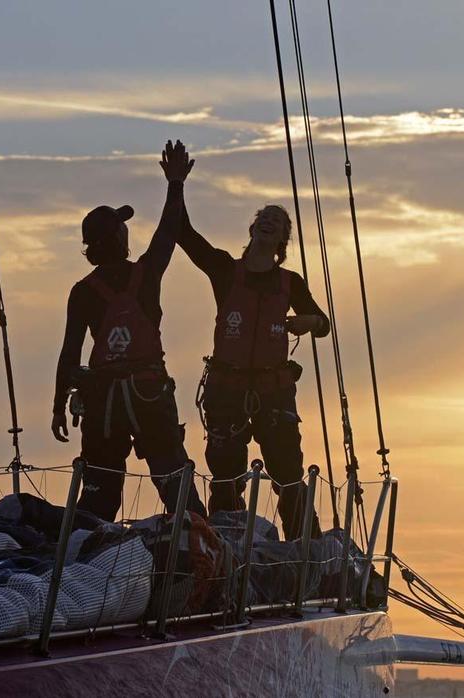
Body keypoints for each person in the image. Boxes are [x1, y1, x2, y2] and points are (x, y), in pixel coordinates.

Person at [51, 140, 205, 522]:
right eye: (122, 225)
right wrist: (175, 182)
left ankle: (81, 559)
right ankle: (203, 549)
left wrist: (58, 405)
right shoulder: (147, 273)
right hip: (148, 393)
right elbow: (169, 231)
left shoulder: (82, 292)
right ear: (119, 238)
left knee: (100, 498)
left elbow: (70, 354)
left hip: (102, 401)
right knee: (175, 484)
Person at [177, 192, 329, 540]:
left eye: (277, 220)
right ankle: (225, 551)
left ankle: (306, 551)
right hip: (226, 390)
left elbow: (323, 325)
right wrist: (176, 185)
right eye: (264, 216)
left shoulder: (291, 283)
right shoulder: (225, 270)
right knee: (226, 475)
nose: (269, 220)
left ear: (282, 240)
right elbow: (184, 235)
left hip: (273, 392)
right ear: (252, 228)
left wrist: (310, 322)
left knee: (288, 473)